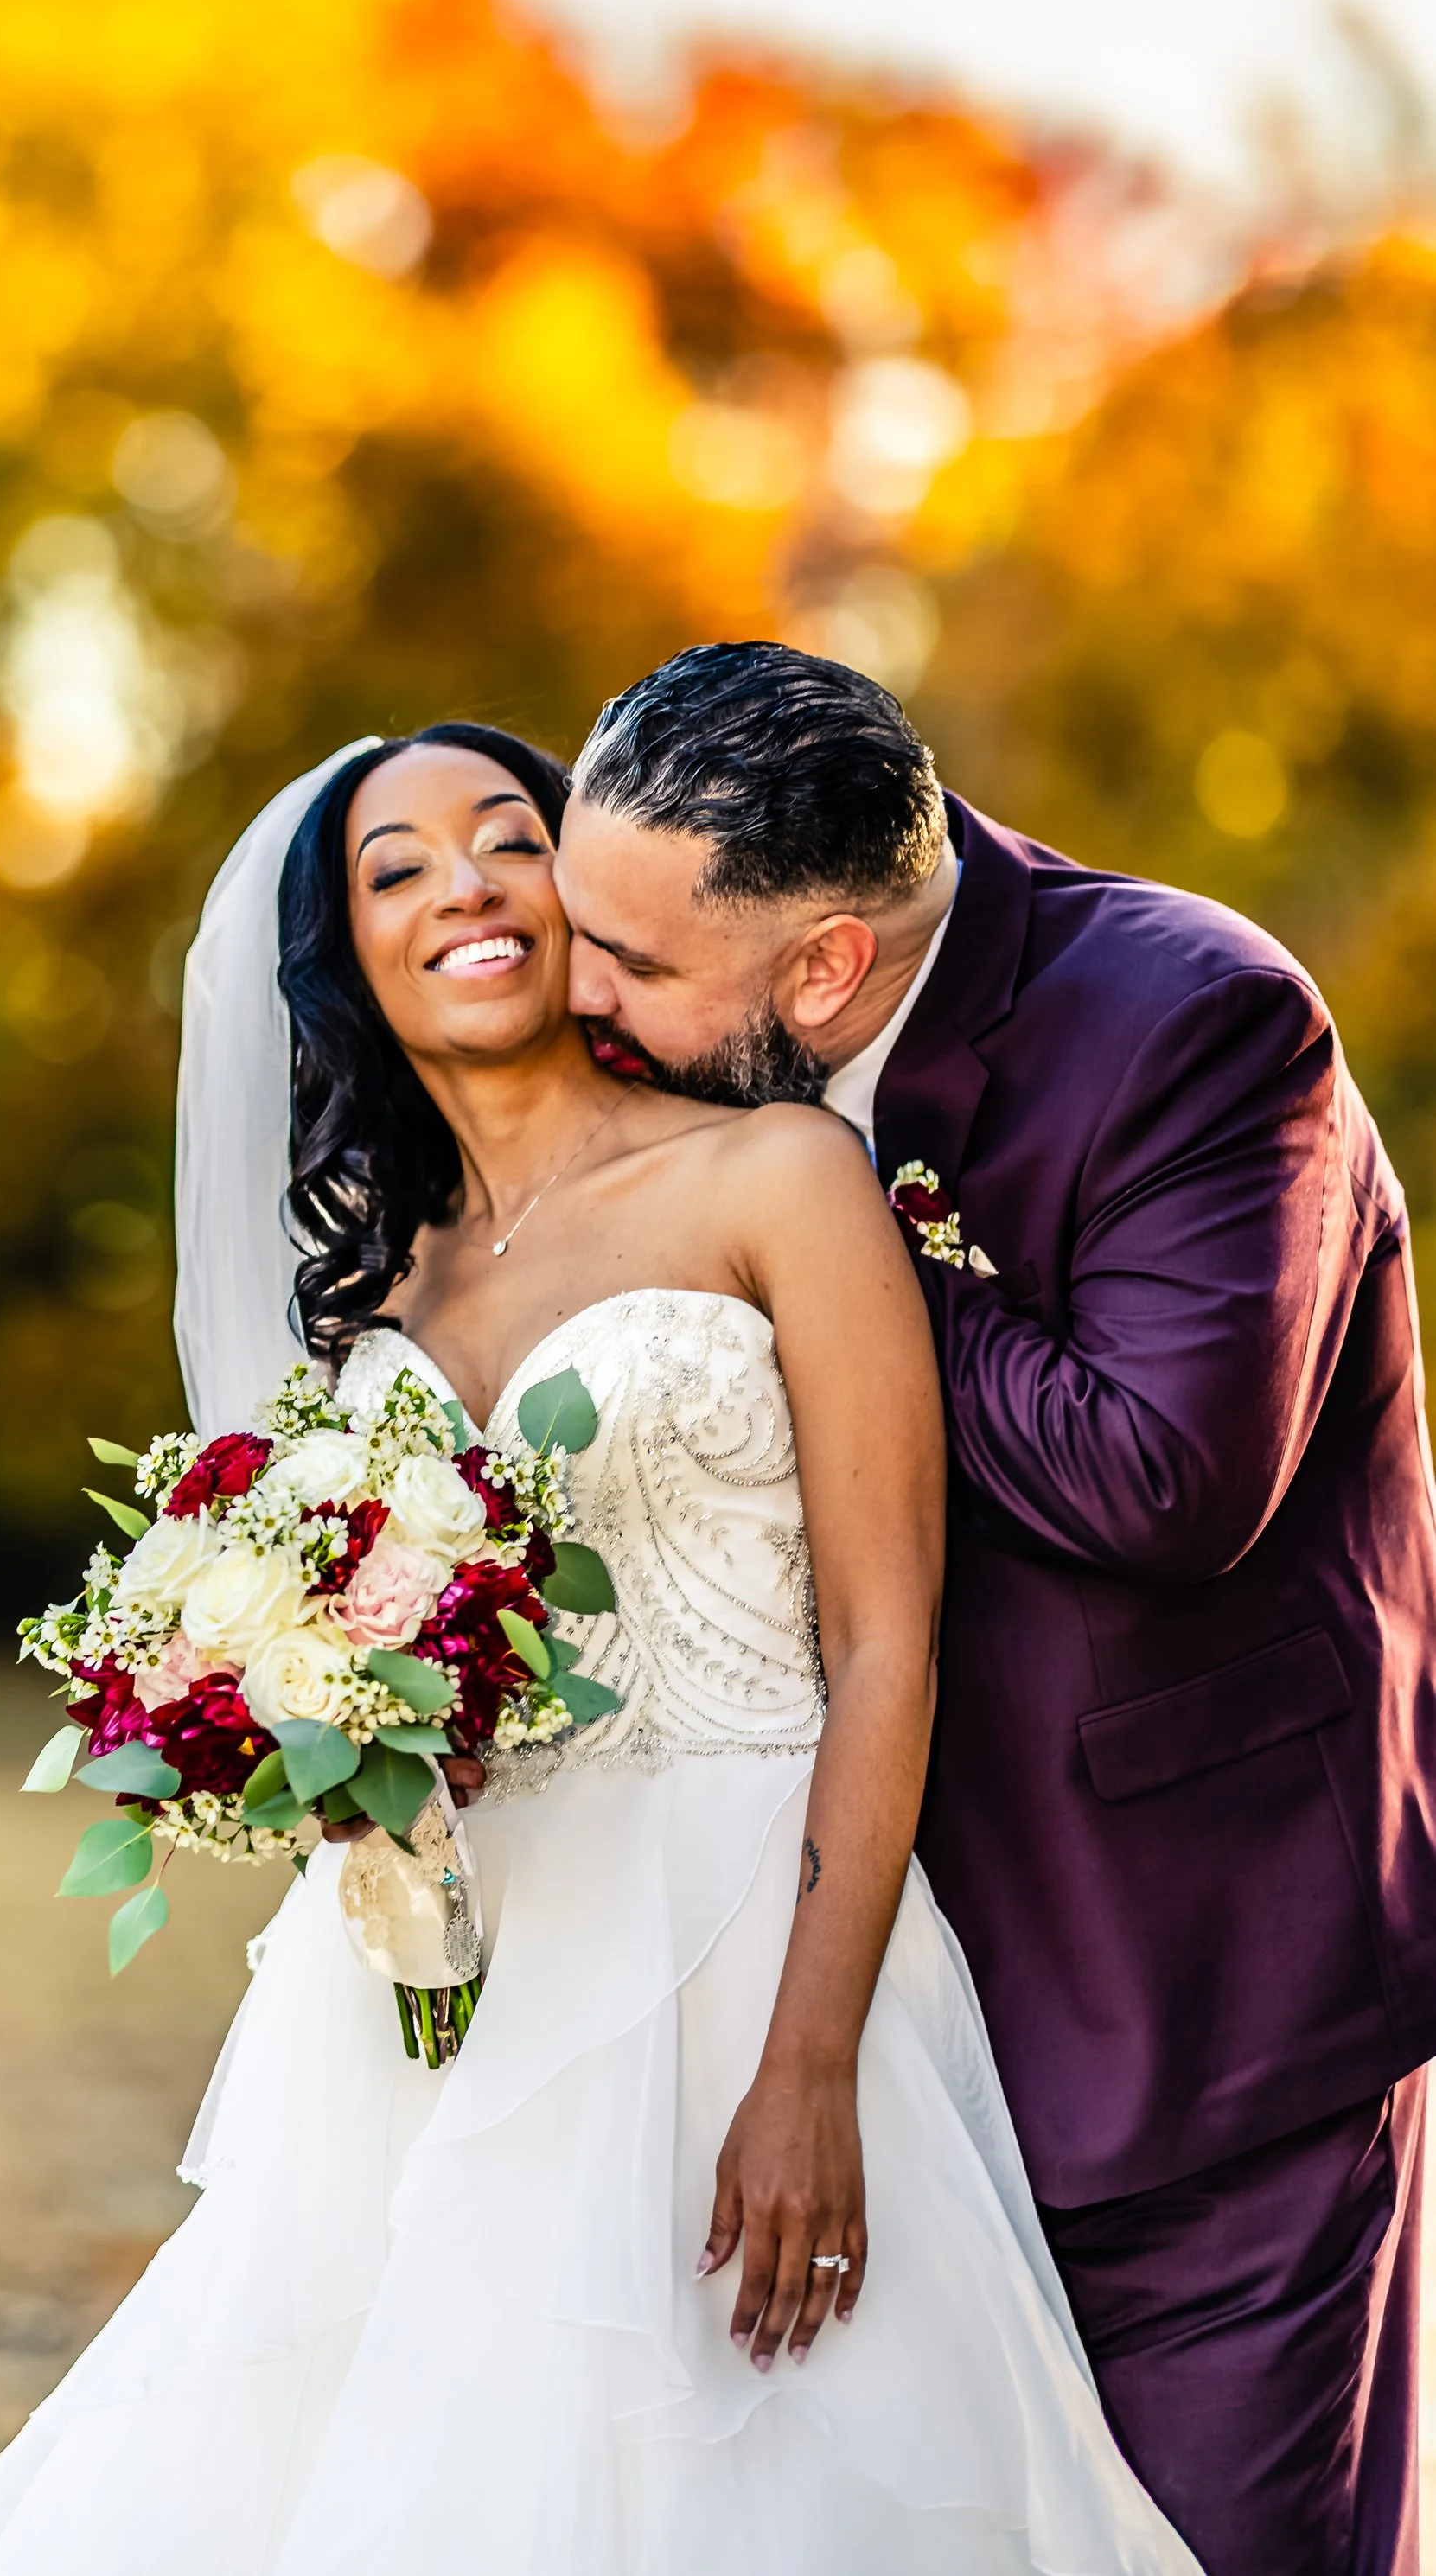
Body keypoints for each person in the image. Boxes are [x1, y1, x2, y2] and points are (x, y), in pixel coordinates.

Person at [0, 723, 1197, 2576]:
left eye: (506, 840)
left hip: (753, 1924)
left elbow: (889, 1640)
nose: (464, 889)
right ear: (342, 956)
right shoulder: (380, 1283)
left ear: (577, 888)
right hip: (450, 1968)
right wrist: (289, 1735)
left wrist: (806, 2062)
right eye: (394, 870)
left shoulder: (778, 1177)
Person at [555, 641, 1436, 2576]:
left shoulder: (1194, 1022)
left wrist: (832, 1256)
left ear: (821, 972)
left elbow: (1162, 1478)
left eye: (627, 964)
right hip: (864, 2008)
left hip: (1192, 2009)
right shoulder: (658, 1074)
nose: (577, 993)